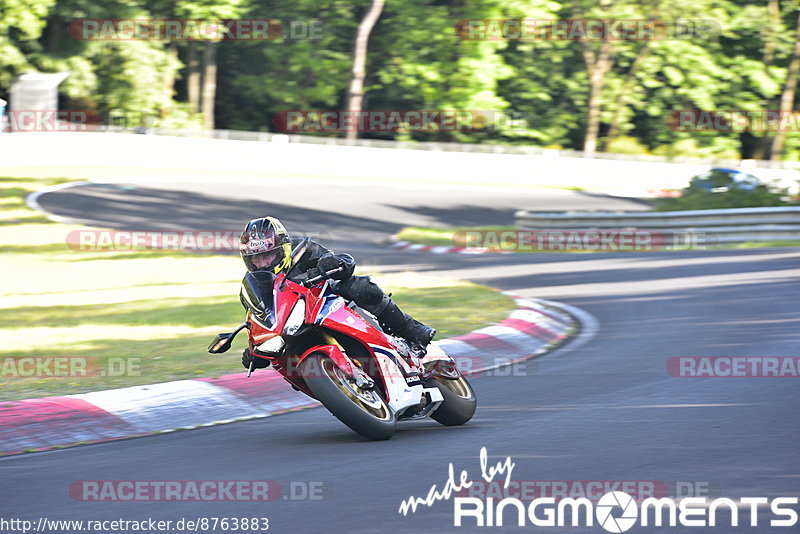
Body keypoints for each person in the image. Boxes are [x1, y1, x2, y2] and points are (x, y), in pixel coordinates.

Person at [238, 216, 436, 369]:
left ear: (284, 247)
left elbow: (342, 262)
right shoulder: (252, 286)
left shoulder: (303, 250)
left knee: (359, 286)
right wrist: (254, 351)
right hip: (293, 326)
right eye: (256, 258)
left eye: (268, 255)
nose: (263, 263)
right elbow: (259, 319)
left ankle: (409, 330)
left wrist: (334, 264)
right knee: (279, 353)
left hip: (326, 302)